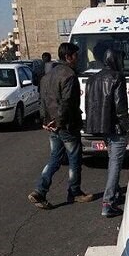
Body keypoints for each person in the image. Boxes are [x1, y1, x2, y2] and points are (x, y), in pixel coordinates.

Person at [28, 42, 93, 209]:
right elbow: (67, 103)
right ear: (68, 57)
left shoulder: (47, 76)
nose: (78, 59)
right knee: (74, 159)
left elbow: (42, 101)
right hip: (66, 125)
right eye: (76, 56)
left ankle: (39, 191)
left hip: (52, 125)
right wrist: (59, 122)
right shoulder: (69, 75)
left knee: (55, 158)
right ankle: (75, 192)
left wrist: (45, 121)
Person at [85, 49, 129, 218]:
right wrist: (125, 126)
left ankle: (115, 192)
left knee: (112, 160)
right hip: (116, 127)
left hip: (101, 127)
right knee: (115, 164)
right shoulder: (117, 77)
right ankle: (108, 202)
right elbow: (120, 107)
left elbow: (90, 105)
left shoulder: (92, 79)